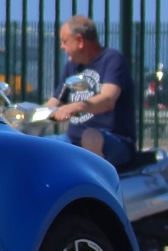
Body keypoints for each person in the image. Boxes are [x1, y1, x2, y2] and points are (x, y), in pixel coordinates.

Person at [48, 15, 139, 169]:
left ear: (80, 41)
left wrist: (76, 107)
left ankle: (95, 185)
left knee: (90, 135)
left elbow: (108, 99)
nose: (62, 47)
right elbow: (54, 103)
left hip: (113, 141)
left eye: (65, 42)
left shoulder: (112, 60)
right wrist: (23, 117)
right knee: (37, 147)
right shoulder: (72, 67)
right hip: (72, 140)